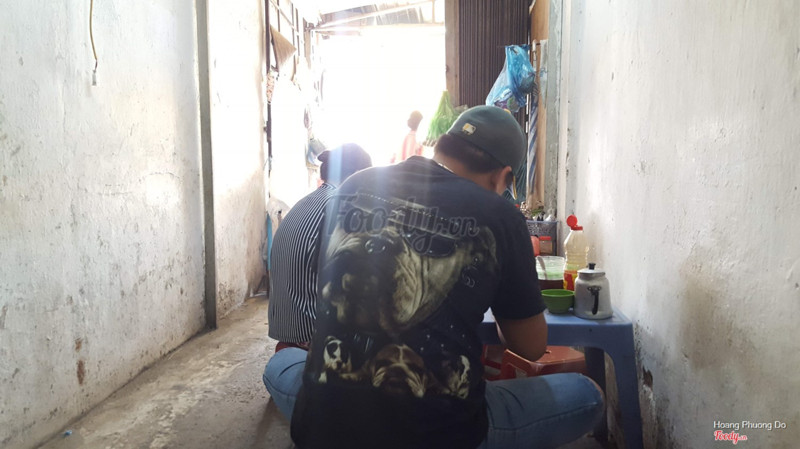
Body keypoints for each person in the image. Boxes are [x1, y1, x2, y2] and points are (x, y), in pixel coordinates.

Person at [271, 106, 604, 448]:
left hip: (321, 428)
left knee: (280, 363)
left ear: (443, 145)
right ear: (502, 177)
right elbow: (530, 347)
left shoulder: (353, 185)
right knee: (586, 394)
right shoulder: (500, 216)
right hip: (441, 436)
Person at [263, 143, 372, 418]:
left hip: (287, 324)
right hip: (311, 332)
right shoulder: (344, 205)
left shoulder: (309, 201)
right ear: (359, 176)